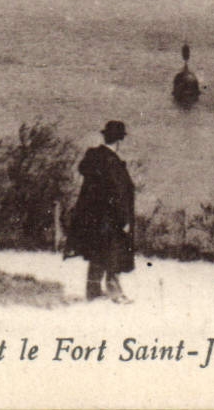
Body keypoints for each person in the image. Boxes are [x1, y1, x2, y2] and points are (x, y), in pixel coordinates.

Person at [68, 120, 136, 303]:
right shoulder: (112, 162)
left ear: (105, 136)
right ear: (119, 140)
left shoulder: (94, 158)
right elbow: (119, 193)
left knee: (97, 253)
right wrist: (125, 219)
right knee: (114, 253)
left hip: (93, 217)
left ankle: (93, 291)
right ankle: (115, 293)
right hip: (111, 218)